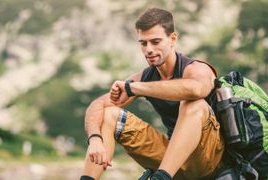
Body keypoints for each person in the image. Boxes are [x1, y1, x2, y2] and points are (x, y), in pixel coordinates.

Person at [80, 8, 224, 180]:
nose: (148, 49)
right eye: (143, 43)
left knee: (193, 103)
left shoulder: (196, 69)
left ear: (172, 39)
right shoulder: (144, 77)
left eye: (155, 42)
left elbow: (196, 89)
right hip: (174, 160)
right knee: (110, 113)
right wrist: (95, 139)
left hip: (210, 159)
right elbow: (97, 105)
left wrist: (135, 88)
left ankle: (160, 178)